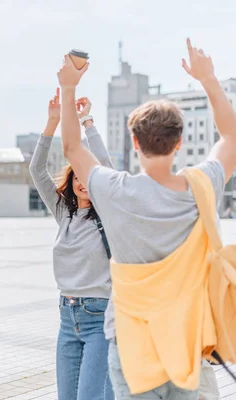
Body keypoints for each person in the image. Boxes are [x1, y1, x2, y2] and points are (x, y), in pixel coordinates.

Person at [57, 39, 230, 399]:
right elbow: (232, 136)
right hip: (186, 335)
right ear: (179, 143)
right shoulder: (202, 184)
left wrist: (68, 86)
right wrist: (208, 80)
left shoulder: (113, 189)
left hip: (132, 339)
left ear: (134, 142)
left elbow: (73, 148)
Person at [30, 90, 114, 400]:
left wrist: (86, 121)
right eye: (76, 175)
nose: (82, 181)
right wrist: (51, 123)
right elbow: (36, 170)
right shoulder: (63, 211)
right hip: (68, 315)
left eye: (87, 175)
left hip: (100, 314)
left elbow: (104, 165)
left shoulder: (106, 211)